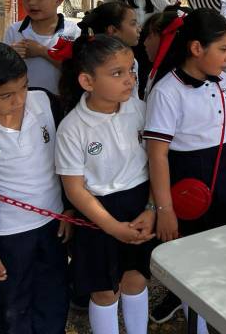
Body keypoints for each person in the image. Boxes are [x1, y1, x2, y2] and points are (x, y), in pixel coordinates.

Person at [143, 9, 226, 334]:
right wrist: (164, 210)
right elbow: (158, 155)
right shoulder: (167, 92)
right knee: (197, 265)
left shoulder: (224, 82)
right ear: (195, 48)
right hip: (190, 181)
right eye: (223, 49)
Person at [55, 34, 155, 334]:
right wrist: (111, 226)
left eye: (130, 71)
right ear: (87, 81)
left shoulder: (139, 109)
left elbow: (155, 164)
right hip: (98, 214)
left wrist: (151, 208)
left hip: (140, 205)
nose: (129, 80)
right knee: (104, 291)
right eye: (117, 73)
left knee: (136, 279)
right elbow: (75, 189)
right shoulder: (72, 128)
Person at [0, 41, 70, 333]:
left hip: (54, 222)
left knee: (54, 295)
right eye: (5, 95)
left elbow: (68, 160)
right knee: (12, 306)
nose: (19, 100)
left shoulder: (44, 102)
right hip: (8, 233)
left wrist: (70, 208)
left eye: (23, 87)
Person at [4, 0, 81, 94]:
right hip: (26, 102)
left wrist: (41, 51)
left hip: (61, 101)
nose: (31, 3)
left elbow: (78, 70)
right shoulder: (14, 30)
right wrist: (10, 57)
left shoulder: (73, 31)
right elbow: (3, 71)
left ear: (58, 0)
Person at [79, 1, 141, 91]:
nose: (139, 29)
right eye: (133, 23)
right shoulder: (96, 63)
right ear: (113, 30)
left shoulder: (132, 60)